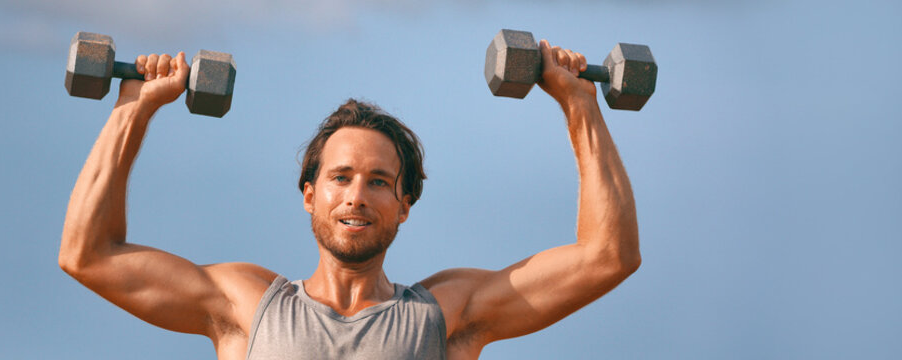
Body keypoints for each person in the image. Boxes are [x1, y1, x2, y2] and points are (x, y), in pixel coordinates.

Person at [59, 40, 640, 360]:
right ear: (309, 195)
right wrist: (133, 109)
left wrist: (580, 105)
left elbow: (606, 257)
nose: (356, 196)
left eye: (379, 182)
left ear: (405, 204)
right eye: (340, 178)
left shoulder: (447, 317)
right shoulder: (245, 307)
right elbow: (88, 255)